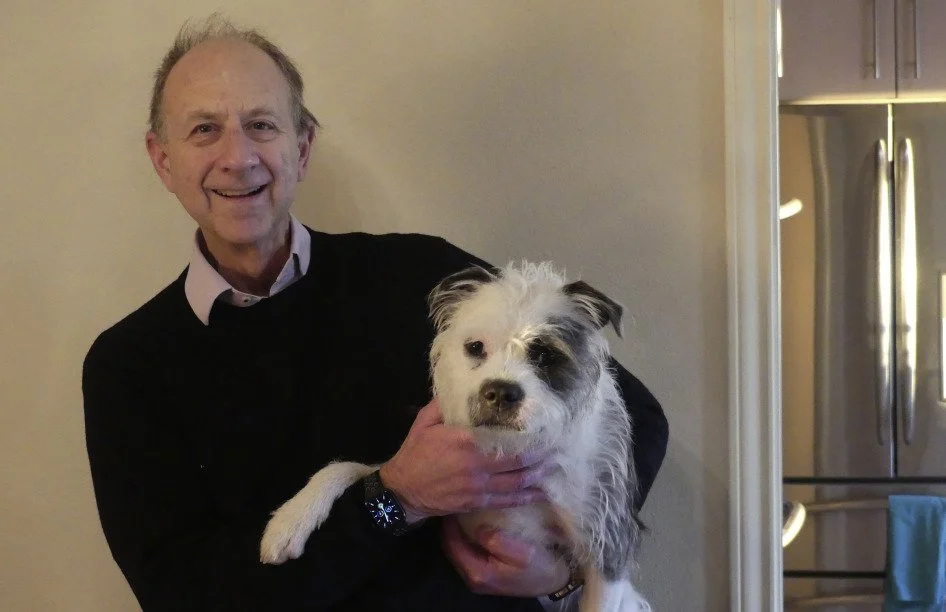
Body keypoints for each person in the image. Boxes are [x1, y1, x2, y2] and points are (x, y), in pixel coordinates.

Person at [82, 16, 669, 612]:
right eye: (204, 129)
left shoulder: (423, 274)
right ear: (163, 159)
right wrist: (395, 501)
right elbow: (181, 593)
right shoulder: (128, 367)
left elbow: (637, 417)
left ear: (302, 147)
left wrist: (560, 569)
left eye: (261, 125)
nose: (238, 157)